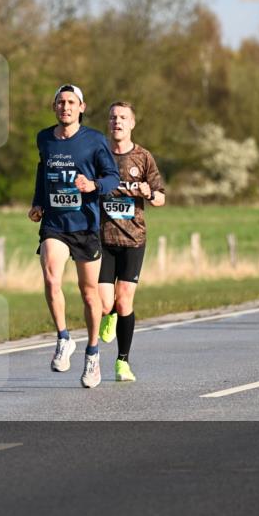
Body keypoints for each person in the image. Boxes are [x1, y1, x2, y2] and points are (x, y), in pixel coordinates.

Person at [28, 84, 120, 388]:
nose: (65, 107)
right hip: (55, 224)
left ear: (81, 107)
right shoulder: (44, 138)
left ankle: (92, 353)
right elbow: (43, 171)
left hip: (86, 226)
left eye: (71, 102)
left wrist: (93, 185)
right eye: (60, 102)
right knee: (52, 278)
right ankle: (64, 337)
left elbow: (112, 176)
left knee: (88, 292)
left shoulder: (94, 140)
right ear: (54, 107)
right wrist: (38, 202)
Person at [96, 102, 165, 382]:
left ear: (132, 123)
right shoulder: (98, 154)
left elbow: (161, 198)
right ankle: (108, 314)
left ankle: (122, 362)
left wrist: (149, 193)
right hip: (101, 238)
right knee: (103, 303)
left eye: (123, 117)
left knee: (124, 301)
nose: (117, 122)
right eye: (113, 117)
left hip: (133, 238)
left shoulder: (143, 157)